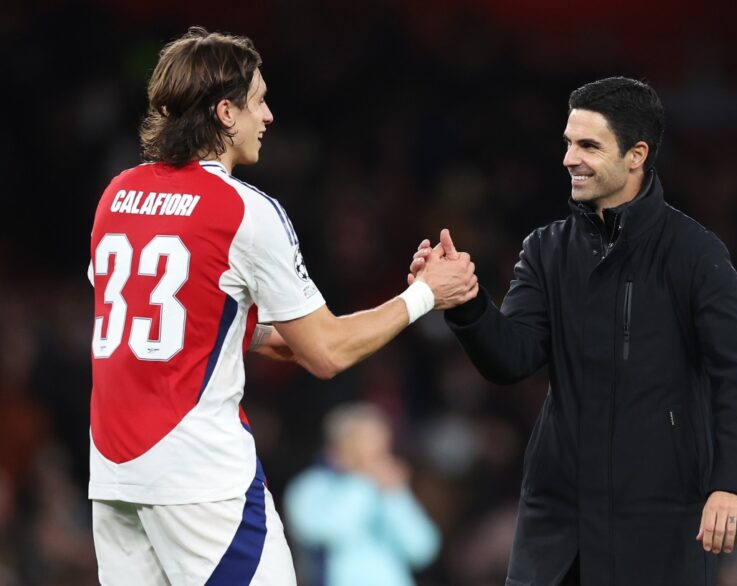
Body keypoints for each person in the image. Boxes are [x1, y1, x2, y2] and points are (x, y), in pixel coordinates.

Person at [87, 27, 476, 586]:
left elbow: (160, 323)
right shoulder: (243, 210)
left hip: (114, 478)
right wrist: (425, 296)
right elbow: (327, 353)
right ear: (225, 112)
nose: (268, 116)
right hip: (202, 482)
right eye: (259, 100)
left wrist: (265, 337)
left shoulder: (116, 196)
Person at [409, 77, 737, 586]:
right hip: (558, 523)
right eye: (567, 143)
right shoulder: (546, 250)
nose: (568, 158)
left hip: (659, 523)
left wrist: (733, 483)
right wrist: (468, 303)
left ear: (635, 155)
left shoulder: (694, 253)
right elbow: (513, 359)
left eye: (587, 145)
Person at [285, 402, 440, 586]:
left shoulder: (387, 488)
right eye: (366, 443)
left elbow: (422, 550)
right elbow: (330, 529)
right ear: (339, 447)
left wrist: (396, 497)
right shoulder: (309, 487)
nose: (377, 454)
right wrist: (364, 481)